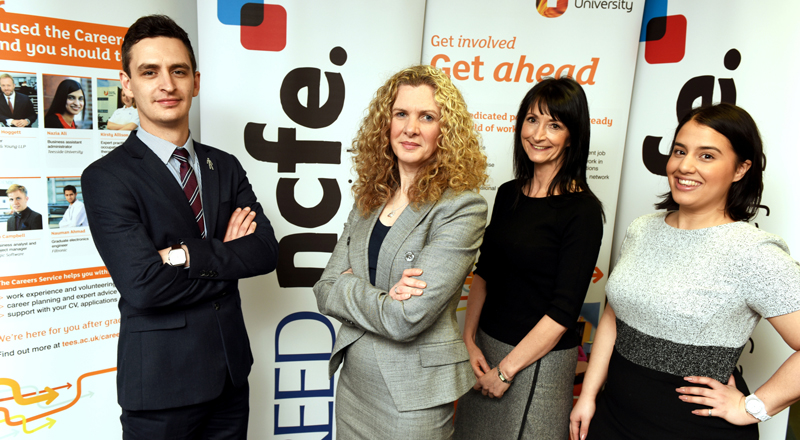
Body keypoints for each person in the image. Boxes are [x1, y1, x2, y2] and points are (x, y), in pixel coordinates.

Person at [81, 14, 279, 440]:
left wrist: (180, 255)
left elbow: (264, 252)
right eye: (149, 72)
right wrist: (225, 255)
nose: (166, 84)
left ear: (196, 81)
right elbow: (143, 286)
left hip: (230, 377)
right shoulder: (106, 177)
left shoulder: (223, 166)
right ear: (127, 85)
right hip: (160, 387)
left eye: (178, 71)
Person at [570, 103, 800, 440]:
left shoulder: (753, 252)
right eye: (680, 150)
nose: (684, 166)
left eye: (707, 155)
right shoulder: (641, 229)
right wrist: (588, 396)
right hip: (613, 416)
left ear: (740, 169)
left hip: (693, 428)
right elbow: (614, 316)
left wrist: (753, 407)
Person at [313, 65, 489, 439]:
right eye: (401, 114)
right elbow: (325, 288)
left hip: (413, 396)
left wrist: (353, 286)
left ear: (446, 131)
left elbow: (406, 318)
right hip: (355, 384)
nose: (411, 128)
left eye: (427, 117)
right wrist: (382, 298)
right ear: (385, 124)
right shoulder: (368, 199)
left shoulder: (461, 207)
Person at [453, 77, 604, 439]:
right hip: (486, 350)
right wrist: (470, 339)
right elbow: (485, 273)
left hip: (538, 363)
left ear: (573, 136)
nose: (538, 134)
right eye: (532, 120)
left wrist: (506, 371)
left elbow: (562, 312)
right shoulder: (507, 194)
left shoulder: (582, 211)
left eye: (555, 125)